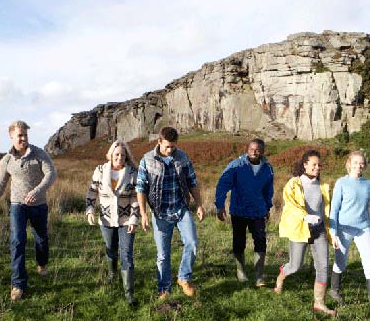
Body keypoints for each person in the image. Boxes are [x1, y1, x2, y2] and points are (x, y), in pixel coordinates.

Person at [0, 120, 57, 301]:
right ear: (11, 137)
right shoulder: (7, 160)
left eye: (25, 134)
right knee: (17, 241)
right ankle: (18, 284)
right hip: (17, 205)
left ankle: (41, 263)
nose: (23, 138)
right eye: (19, 135)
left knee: (41, 239)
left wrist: (37, 191)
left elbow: (51, 174)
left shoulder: (39, 154)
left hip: (39, 205)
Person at [136, 127, 205, 299]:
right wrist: (143, 214)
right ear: (159, 142)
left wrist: (199, 205)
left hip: (181, 209)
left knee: (192, 243)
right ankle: (164, 288)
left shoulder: (182, 157)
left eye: (173, 147)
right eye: (167, 146)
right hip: (160, 213)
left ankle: (183, 278)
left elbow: (192, 182)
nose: (170, 150)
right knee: (163, 255)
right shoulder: (147, 160)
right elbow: (141, 188)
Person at [274, 149, 336, 317]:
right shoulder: (294, 183)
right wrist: (305, 216)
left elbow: (327, 210)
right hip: (300, 229)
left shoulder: (323, 186)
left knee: (323, 266)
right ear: (305, 165)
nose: (317, 167)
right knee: (295, 266)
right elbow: (290, 204)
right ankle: (282, 275)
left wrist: (332, 228)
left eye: (319, 165)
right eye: (314, 164)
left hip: (319, 230)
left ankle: (319, 303)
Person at [328, 151, 370, 321]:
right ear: (349, 163)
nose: (358, 166)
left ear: (365, 165)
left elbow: (365, 208)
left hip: (363, 229)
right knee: (341, 263)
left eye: (361, 163)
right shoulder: (341, 183)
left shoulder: (367, 183)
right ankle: (334, 290)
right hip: (343, 229)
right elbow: (334, 209)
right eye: (355, 162)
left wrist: (368, 226)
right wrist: (334, 233)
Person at [85, 140, 139, 305]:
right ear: (111, 155)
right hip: (106, 220)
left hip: (126, 220)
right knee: (111, 249)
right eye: (117, 154)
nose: (120, 157)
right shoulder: (100, 171)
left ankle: (129, 293)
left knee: (127, 254)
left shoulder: (132, 173)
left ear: (126, 156)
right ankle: (112, 274)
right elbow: (92, 191)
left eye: (123, 155)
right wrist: (90, 210)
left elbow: (136, 197)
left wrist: (135, 218)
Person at [215, 138, 274, 286]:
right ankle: (241, 271)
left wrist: (267, 207)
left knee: (260, 241)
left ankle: (259, 275)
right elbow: (222, 184)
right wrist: (220, 205)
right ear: (247, 150)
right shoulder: (236, 165)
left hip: (258, 211)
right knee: (239, 241)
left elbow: (268, 190)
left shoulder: (267, 168)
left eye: (257, 149)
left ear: (263, 151)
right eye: (251, 149)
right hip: (239, 211)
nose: (254, 152)